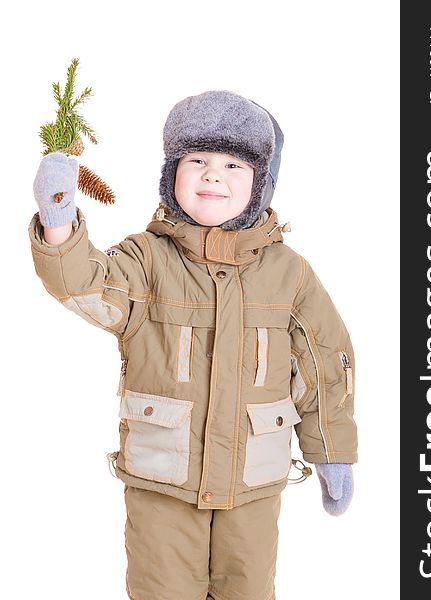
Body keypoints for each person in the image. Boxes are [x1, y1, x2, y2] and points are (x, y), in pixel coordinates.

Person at [29, 90, 358, 600]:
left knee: (249, 589)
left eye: (233, 164)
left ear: (261, 183)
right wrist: (58, 222)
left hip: (252, 487)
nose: (212, 175)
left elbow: (324, 364)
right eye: (196, 160)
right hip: (163, 485)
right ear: (171, 174)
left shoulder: (288, 273)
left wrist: (332, 452)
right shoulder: (146, 260)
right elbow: (85, 284)